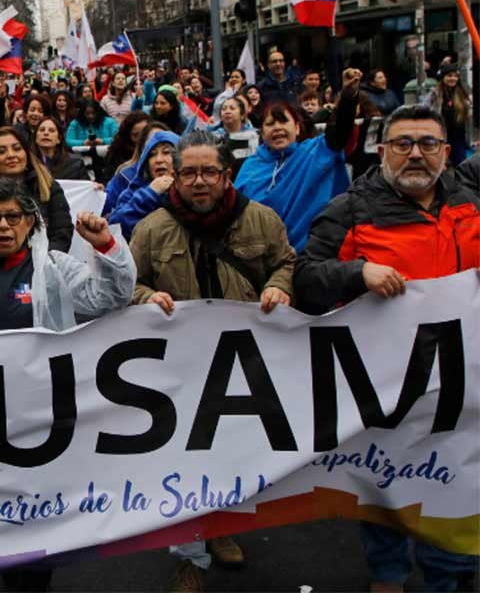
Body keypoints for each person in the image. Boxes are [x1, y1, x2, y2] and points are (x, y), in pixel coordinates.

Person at [293, 104, 480, 592]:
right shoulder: (351, 208)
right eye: (403, 144)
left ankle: (450, 576)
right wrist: (357, 273)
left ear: (446, 151)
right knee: (385, 481)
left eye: (428, 144)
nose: (415, 154)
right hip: (386, 386)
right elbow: (306, 278)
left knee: (457, 482)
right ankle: (389, 573)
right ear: (382, 151)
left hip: (463, 386)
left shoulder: (470, 199)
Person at [128, 130, 295, 593]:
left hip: (245, 370)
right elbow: (129, 284)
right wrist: (145, 295)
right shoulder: (151, 229)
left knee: (234, 458)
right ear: (174, 177)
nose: (199, 181)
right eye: (188, 172)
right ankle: (189, 557)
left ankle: (223, 532)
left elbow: (286, 262)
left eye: (209, 172)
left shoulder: (261, 221)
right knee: (182, 462)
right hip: (177, 372)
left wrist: (280, 285)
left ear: (226, 175)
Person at [0, 176, 135, 344]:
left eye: (13, 216)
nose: (4, 225)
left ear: (29, 223)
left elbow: (111, 300)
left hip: (39, 393)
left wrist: (105, 244)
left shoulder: (54, 269)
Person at [234, 68, 360, 252]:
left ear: (298, 128)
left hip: (314, 256)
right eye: (270, 124)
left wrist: (348, 96)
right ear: (262, 132)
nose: (277, 128)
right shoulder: (251, 166)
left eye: (283, 122)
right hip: (264, 258)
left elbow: (341, 130)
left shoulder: (315, 152)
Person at [0, 126, 74, 254]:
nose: (11, 155)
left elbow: (62, 232)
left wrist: (43, 263)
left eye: (17, 149)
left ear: (26, 153)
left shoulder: (48, 186)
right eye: (2, 151)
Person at [104, 128, 180, 240]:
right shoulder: (133, 191)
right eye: (152, 155)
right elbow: (117, 227)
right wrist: (150, 194)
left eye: (166, 152)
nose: (158, 160)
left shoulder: (191, 188)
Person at [423, 66, 472, 165]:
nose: (453, 79)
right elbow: (425, 110)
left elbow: (469, 117)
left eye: (455, 76)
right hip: (440, 136)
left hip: (458, 137)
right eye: (449, 76)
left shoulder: (462, 94)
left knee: (461, 165)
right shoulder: (435, 94)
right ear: (443, 78)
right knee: (440, 166)